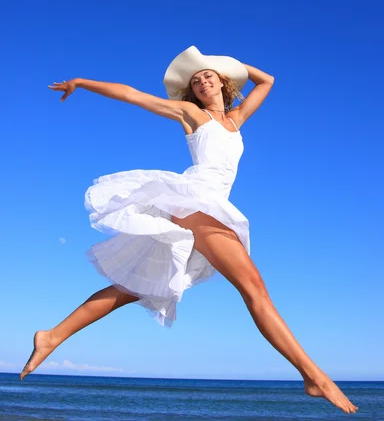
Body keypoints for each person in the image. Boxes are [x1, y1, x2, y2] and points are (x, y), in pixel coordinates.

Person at [20, 45, 358, 414]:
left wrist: (225, 62)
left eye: (207, 75)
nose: (201, 81)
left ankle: (52, 336)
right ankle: (313, 375)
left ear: (223, 81)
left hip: (210, 209)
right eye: (195, 80)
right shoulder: (192, 115)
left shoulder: (236, 119)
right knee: (254, 288)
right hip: (195, 202)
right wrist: (82, 82)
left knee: (133, 289)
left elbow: (267, 80)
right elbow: (133, 95)